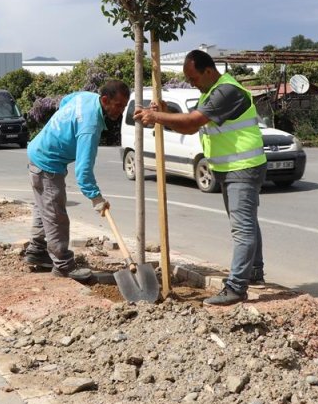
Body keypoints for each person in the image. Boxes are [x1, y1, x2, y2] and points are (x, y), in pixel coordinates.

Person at [134, 49, 267, 306]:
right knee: (246, 222)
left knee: (242, 228)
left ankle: (237, 287)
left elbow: (191, 122)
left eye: (193, 77)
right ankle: (254, 272)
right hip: (231, 167)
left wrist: (156, 117)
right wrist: (165, 111)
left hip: (243, 167)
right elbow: (190, 123)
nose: (192, 83)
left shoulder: (226, 91)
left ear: (208, 71)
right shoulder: (209, 92)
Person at [24, 80, 130, 281]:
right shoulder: (90, 127)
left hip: (37, 152)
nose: (121, 111)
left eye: (124, 106)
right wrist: (96, 198)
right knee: (56, 215)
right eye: (118, 106)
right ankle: (63, 265)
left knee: (43, 208)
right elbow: (83, 171)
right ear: (105, 100)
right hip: (47, 162)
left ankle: (37, 251)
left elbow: (66, 101)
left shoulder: (86, 97)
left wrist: (66, 127)